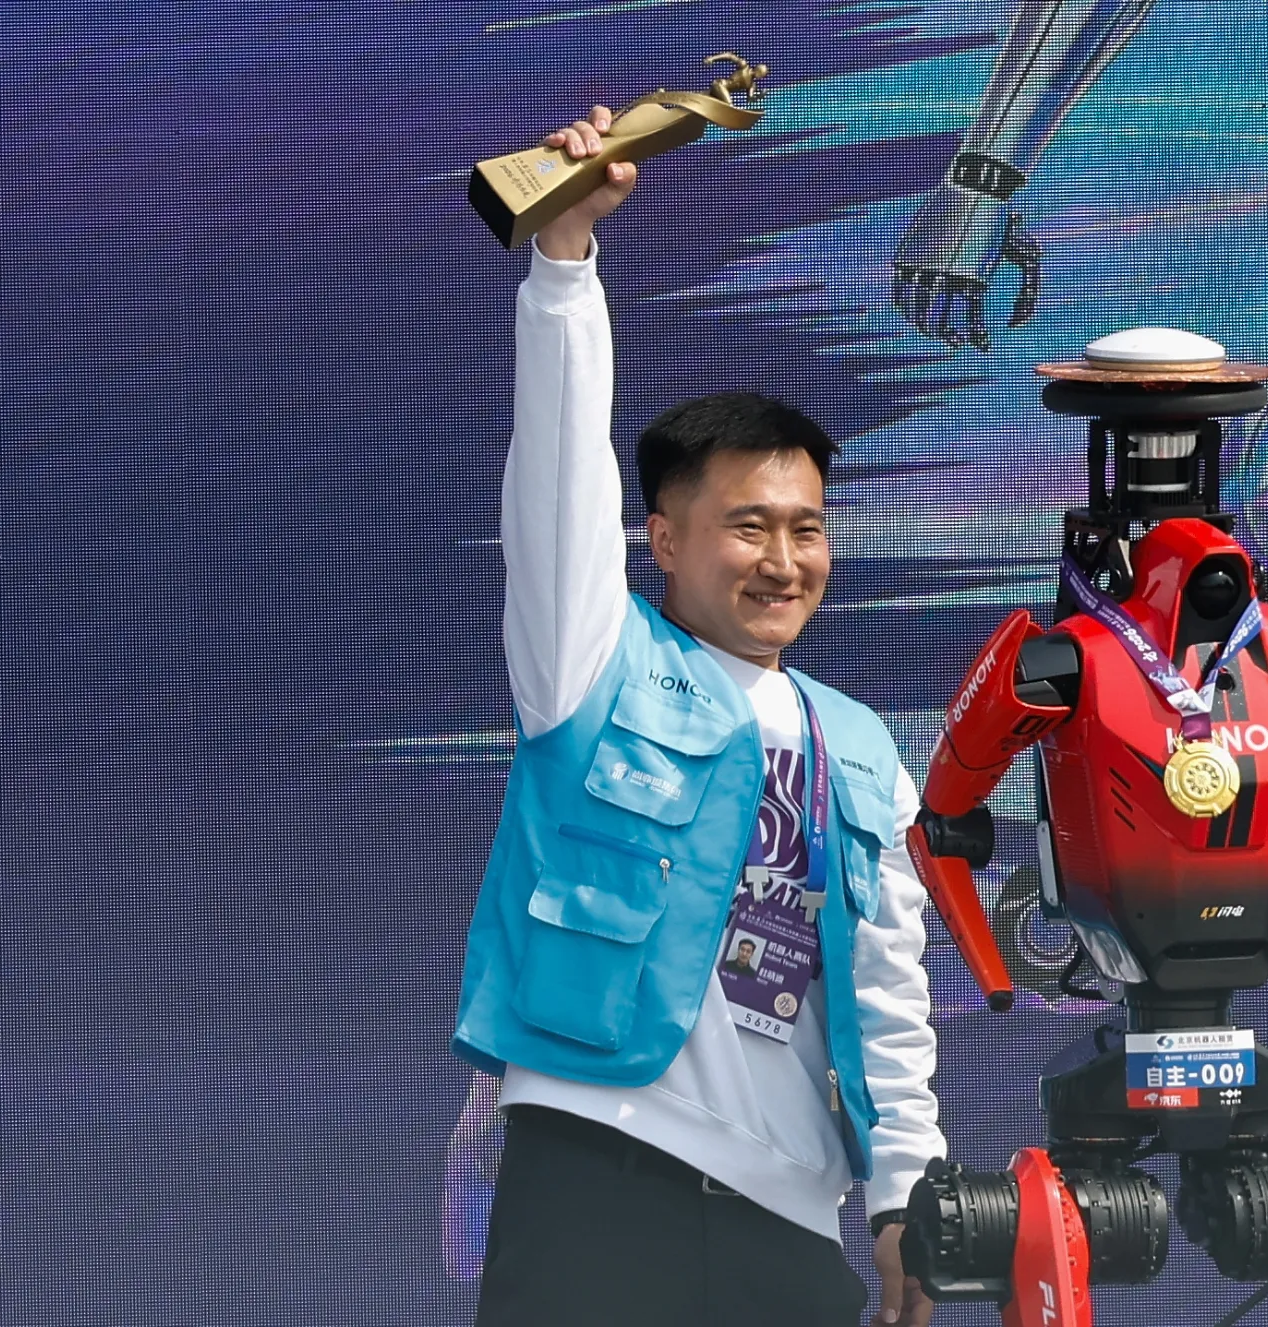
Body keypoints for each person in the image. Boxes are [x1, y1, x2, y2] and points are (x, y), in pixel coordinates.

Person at [450, 107, 943, 1327]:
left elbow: (885, 996)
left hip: (790, 1213)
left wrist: (904, 1203)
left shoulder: (863, 746)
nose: (783, 559)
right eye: (747, 526)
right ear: (662, 540)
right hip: (597, 1177)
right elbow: (556, 485)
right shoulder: (592, 662)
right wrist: (564, 261)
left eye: (807, 527)